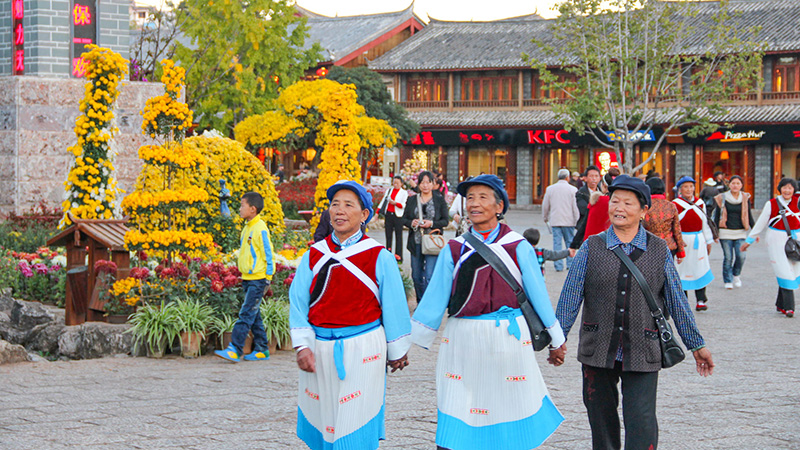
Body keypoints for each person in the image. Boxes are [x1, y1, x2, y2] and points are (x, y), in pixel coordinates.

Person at [553, 175, 714, 450]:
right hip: (597, 346)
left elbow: (677, 301)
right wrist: (558, 339)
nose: (619, 208)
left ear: (643, 211)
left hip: (643, 346)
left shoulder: (658, 249)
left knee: (642, 420)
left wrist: (696, 344)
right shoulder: (591, 246)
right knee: (600, 419)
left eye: (628, 203)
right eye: (615, 201)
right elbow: (570, 296)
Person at [411, 174, 567, 450]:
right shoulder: (455, 249)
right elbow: (434, 298)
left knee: (508, 401)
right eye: (470, 198)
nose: (474, 204)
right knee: (459, 399)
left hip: (509, 338)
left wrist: (556, 339)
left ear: (499, 206)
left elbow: (538, 295)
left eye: (483, 197)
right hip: (462, 338)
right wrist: (403, 345)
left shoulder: (518, 246)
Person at [289, 180, 412, 450]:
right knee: (324, 420)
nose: (339, 211)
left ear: (364, 214)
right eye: (335, 204)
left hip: (364, 348)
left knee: (357, 424)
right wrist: (302, 345)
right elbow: (298, 302)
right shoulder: (314, 255)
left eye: (348, 205)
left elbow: (394, 304)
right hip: (320, 348)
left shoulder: (379, 256)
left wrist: (397, 349)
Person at [215, 192, 275, 362]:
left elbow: (268, 253)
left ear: (253, 209)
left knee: (246, 313)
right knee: (254, 314)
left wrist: (268, 277)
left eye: (242, 205)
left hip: (259, 279)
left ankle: (235, 349)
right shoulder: (247, 227)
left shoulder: (260, 228)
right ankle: (262, 349)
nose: (240, 209)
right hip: (248, 278)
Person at [742, 177, 799, 318]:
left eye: (790, 188)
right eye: (784, 188)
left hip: (796, 239)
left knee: (792, 270)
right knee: (784, 270)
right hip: (776, 239)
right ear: (780, 189)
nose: (787, 191)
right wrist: (749, 240)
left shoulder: (798, 201)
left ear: (794, 190)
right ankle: (789, 308)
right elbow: (760, 223)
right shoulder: (772, 204)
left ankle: (780, 304)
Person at [403, 171, 448, 302]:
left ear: (433, 184)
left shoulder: (439, 200)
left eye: (428, 182)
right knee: (416, 276)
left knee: (429, 275)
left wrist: (431, 223)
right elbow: (404, 219)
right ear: (419, 184)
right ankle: (421, 302)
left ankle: (429, 304)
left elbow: (445, 221)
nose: (425, 185)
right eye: (422, 182)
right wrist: (411, 223)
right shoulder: (412, 200)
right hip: (416, 242)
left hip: (432, 243)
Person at [673, 176, 715, 311]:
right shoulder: (675, 204)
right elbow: (673, 224)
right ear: (680, 189)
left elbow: (705, 223)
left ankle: (701, 300)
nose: (689, 189)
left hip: (698, 239)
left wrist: (708, 241)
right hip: (683, 240)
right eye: (685, 187)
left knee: (699, 268)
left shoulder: (700, 203)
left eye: (691, 186)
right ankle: (683, 300)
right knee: (682, 270)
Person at [713, 175, 753, 289]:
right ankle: (728, 280)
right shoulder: (722, 197)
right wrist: (715, 234)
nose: (735, 186)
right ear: (729, 184)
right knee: (728, 257)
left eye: (738, 183)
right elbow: (717, 216)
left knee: (741, 256)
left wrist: (755, 231)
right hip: (725, 232)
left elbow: (749, 216)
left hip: (740, 232)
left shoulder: (745, 198)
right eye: (733, 183)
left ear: (741, 185)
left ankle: (736, 274)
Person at [570, 168, 620, 253]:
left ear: (603, 185)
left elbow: (584, 224)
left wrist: (573, 245)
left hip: (594, 244)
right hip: (615, 245)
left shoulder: (597, 201)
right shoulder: (620, 203)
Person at [542, 168, 579, 271]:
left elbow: (545, 205)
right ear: (567, 177)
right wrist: (577, 219)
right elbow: (575, 207)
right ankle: (570, 264)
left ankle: (558, 265)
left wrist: (545, 217)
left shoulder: (550, 189)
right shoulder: (573, 189)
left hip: (555, 220)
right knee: (570, 242)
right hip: (569, 221)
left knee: (557, 243)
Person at [643, 177, 685, 261]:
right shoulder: (671, 206)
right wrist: (681, 252)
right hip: (668, 246)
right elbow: (677, 229)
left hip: (649, 246)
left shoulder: (644, 207)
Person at [378, 176, 408, 262]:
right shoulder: (389, 190)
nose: (395, 185)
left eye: (397, 183)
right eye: (394, 183)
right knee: (388, 235)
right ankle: (388, 253)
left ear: (401, 183)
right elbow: (383, 201)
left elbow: (403, 205)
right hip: (389, 214)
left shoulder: (404, 192)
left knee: (398, 236)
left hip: (398, 215)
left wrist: (395, 203)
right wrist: (377, 212)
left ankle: (398, 256)